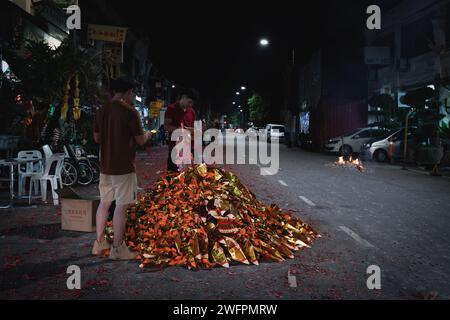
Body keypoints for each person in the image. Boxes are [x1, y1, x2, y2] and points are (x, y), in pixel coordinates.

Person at [92, 77, 151, 260]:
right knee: (121, 207)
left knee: (104, 204)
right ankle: (118, 248)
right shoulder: (130, 112)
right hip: (123, 167)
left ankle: (99, 243)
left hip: (105, 166)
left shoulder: (102, 110)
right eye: (132, 92)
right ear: (127, 92)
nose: (133, 96)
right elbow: (141, 140)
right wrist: (149, 134)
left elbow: (97, 139)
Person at [164, 89, 198, 172]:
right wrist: (180, 130)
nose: (190, 105)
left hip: (189, 148)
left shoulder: (192, 112)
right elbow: (166, 126)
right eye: (189, 102)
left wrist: (192, 130)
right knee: (172, 175)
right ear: (184, 97)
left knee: (189, 176)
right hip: (175, 148)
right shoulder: (171, 109)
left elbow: (195, 130)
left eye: (192, 103)